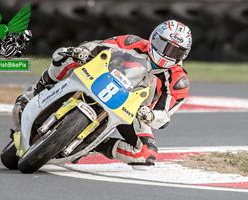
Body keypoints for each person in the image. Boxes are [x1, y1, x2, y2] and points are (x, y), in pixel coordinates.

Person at [11, 20, 192, 168]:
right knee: (66, 56)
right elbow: (98, 47)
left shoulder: (178, 81)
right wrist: (82, 52)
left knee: (146, 155)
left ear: (183, 55)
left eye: (175, 51)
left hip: (133, 111)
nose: (166, 54)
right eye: (163, 45)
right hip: (100, 80)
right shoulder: (132, 42)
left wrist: (150, 115)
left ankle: (94, 143)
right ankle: (37, 90)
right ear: (154, 38)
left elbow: (165, 115)